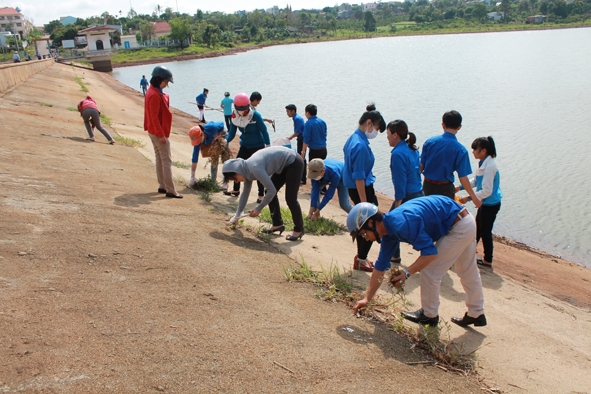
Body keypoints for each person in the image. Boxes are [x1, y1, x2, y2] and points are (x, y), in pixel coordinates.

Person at [350, 197, 487, 328]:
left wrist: (406, 272)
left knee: (430, 270)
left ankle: (429, 315)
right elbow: (380, 268)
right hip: (464, 220)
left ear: (371, 223)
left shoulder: (402, 223)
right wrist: (367, 298)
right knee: (467, 270)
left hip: (458, 226)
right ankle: (476, 313)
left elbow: (430, 253)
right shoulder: (388, 231)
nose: (366, 239)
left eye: (363, 234)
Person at [222, 146, 305, 241]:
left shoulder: (254, 167)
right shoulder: (246, 170)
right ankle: (277, 224)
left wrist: (258, 208)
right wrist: (237, 216)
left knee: (291, 199)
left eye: (234, 179)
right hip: (282, 165)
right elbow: (245, 193)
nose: (236, 182)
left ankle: (299, 229)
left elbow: (272, 190)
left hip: (294, 162)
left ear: (237, 171)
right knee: (268, 192)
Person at [342, 105, 385, 272]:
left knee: (363, 223)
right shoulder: (360, 145)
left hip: (356, 187)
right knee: (371, 224)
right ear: (369, 123)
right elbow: (359, 177)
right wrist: (365, 204)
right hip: (362, 189)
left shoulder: (354, 137)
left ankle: (361, 257)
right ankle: (361, 259)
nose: (375, 132)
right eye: (376, 128)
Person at [456, 136, 502, 268]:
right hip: (485, 203)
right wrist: (460, 187)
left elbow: (487, 190)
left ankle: (488, 259)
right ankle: (469, 251)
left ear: (483, 151)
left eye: (475, 150)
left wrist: (469, 198)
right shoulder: (483, 163)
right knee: (478, 228)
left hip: (490, 203)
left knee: (485, 231)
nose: (473, 152)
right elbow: (476, 181)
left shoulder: (490, 167)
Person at [420, 110, 480, 207]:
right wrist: (473, 197)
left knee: (427, 214)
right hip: (445, 189)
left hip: (427, 185)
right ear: (459, 127)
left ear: (443, 125)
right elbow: (463, 178)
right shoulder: (461, 150)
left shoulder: (429, 142)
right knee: (444, 218)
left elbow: (421, 166)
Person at [386, 120, 424, 264]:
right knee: (421, 226)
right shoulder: (412, 148)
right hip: (419, 193)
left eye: (388, 134)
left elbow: (400, 182)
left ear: (395, 135)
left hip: (407, 196)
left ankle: (393, 256)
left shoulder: (397, 154)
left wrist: (398, 204)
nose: (387, 137)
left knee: (390, 225)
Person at [144, 65, 182, 199]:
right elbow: (154, 116)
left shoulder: (152, 91)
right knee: (166, 161)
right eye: (165, 82)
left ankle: (162, 185)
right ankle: (171, 190)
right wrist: (161, 135)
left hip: (152, 130)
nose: (166, 85)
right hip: (158, 132)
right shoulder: (154, 94)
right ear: (159, 79)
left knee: (160, 159)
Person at [225, 92, 270, 202]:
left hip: (257, 146)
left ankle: (261, 195)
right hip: (245, 145)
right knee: (237, 166)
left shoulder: (255, 115)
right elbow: (231, 133)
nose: (241, 112)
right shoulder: (234, 116)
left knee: (259, 170)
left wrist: (268, 146)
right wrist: (225, 141)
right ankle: (236, 190)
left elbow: (264, 131)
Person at [188, 122, 226, 187]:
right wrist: (192, 177)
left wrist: (220, 139)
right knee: (213, 159)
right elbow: (195, 157)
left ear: (202, 134)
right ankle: (213, 182)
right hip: (210, 138)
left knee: (223, 159)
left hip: (221, 135)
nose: (198, 143)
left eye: (198, 141)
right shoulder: (198, 139)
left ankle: (225, 183)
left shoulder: (212, 127)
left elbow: (222, 124)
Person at [285, 104, 307, 183]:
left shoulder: (297, 119)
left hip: (301, 140)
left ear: (293, 111)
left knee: (301, 158)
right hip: (301, 139)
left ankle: (302, 178)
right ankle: (302, 177)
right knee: (301, 157)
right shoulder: (296, 118)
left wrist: (290, 137)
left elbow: (298, 132)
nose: (287, 113)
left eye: (288, 111)